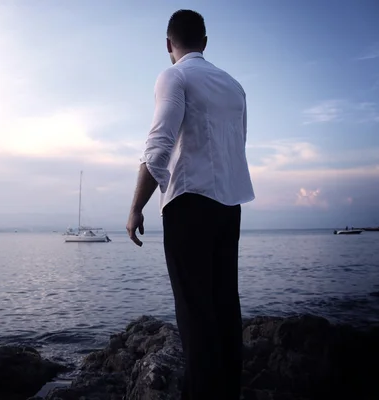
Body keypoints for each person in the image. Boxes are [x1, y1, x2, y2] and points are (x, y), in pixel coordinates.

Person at [125, 9, 255, 400]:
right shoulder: (234, 86)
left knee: (195, 311)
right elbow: (239, 144)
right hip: (229, 205)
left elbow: (159, 144)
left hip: (189, 204)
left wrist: (136, 207)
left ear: (169, 44)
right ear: (205, 41)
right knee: (224, 307)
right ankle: (227, 391)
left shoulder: (174, 75)